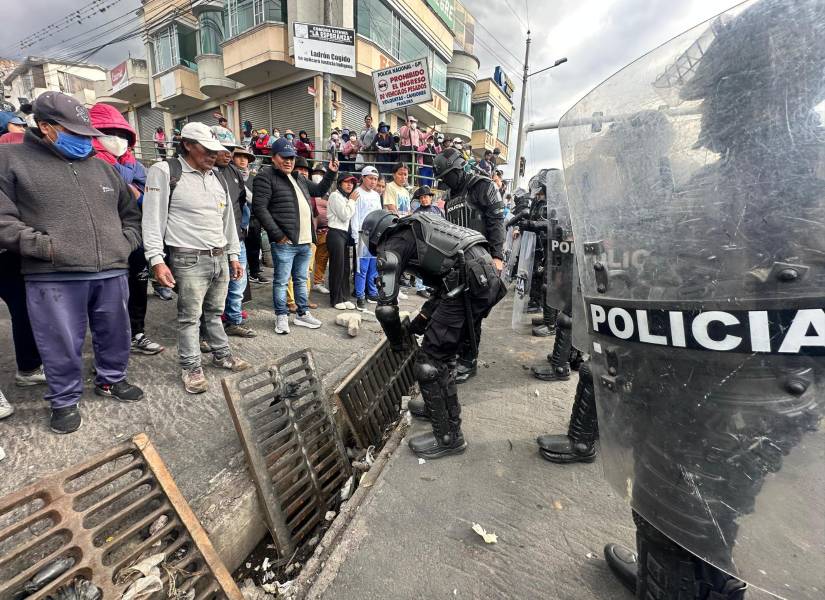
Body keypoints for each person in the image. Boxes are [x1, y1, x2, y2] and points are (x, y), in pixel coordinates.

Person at [0, 91, 145, 434]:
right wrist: (44, 247)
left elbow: (130, 214)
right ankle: (64, 399)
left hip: (111, 268)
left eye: (86, 133)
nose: (84, 140)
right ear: (45, 127)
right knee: (60, 342)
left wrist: (124, 244)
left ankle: (111, 379)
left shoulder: (103, 167)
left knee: (116, 332)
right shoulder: (11, 159)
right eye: (74, 132)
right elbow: (3, 220)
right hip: (53, 273)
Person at [362, 209, 506, 458]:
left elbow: (385, 309)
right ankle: (436, 408)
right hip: (482, 277)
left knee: (429, 362)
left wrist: (397, 342)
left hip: (468, 282)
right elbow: (444, 283)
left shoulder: (391, 245)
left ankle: (448, 437)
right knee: (443, 354)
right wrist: (419, 323)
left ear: (374, 237)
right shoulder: (419, 226)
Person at [142, 122, 251, 394]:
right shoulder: (165, 171)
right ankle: (191, 366)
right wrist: (156, 259)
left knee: (214, 312)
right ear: (188, 145)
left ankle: (221, 354)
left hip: (219, 256)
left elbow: (227, 221)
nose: (214, 155)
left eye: (216, 150)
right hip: (188, 258)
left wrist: (233, 255)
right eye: (207, 149)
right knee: (190, 317)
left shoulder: (217, 177)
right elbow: (152, 218)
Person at [89, 102, 164, 356]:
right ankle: (108, 348)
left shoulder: (136, 165)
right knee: (107, 298)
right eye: (109, 133)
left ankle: (137, 333)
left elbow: (150, 197)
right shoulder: (87, 163)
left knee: (138, 287)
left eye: (122, 134)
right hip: (105, 240)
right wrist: (127, 189)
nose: (117, 139)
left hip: (135, 236)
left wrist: (137, 193)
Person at [433, 148, 506, 383]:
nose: (445, 181)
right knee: (458, 312)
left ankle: (469, 360)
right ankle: (459, 354)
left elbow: (496, 221)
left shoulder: (482, 186)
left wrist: (497, 257)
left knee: (473, 313)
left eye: (447, 176)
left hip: (483, 260)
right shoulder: (450, 196)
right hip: (459, 262)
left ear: (458, 169)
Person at [252, 137, 338, 334]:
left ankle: (302, 314)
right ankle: (281, 316)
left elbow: (319, 189)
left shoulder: (298, 177)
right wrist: (278, 235)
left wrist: (331, 172)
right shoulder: (265, 177)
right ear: (273, 157)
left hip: (305, 241)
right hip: (285, 242)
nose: (288, 161)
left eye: (291, 157)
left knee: (300, 279)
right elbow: (260, 208)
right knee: (282, 281)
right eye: (284, 157)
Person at [214, 144, 256, 338]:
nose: (227, 154)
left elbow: (244, 201)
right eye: (223, 149)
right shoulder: (206, 171)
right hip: (213, 239)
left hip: (236, 237)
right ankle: (210, 329)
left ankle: (233, 320)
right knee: (214, 285)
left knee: (238, 281)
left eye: (230, 150)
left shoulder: (234, 172)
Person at [286, 156, 320, 313]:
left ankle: (304, 298)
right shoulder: (289, 188)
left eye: (306, 170)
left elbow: (315, 215)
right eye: (300, 169)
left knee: (307, 271)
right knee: (290, 272)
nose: (304, 172)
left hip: (309, 236)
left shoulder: (309, 191)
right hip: (292, 237)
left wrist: (314, 235)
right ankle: (290, 301)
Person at [350, 166, 383, 310]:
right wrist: (356, 237)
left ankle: (372, 292)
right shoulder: (357, 193)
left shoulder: (376, 195)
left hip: (375, 235)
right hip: (363, 234)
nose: (373, 182)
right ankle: (360, 296)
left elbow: (379, 215)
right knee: (362, 268)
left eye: (375, 179)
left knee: (373, 267)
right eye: (370, 178)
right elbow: (355, 216)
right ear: (363, 178)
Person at [326, 174, 358, 309]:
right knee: (337, 267)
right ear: (340, 183)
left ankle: (345, 297)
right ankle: (336, 299)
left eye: (352, 183)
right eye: (346, 182)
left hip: (344, 234)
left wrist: (351, 201)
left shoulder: (345, 197)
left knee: (345, 268)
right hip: (335, 232)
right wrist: (352, 201)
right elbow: (345, 215)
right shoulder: (335, 195)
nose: (350, 185)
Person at [311, 162, 331, 295]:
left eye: (321, 174)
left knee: (322, 258)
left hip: (324, 230)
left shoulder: (328, 192)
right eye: (316, 173)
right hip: (310, 230)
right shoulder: (307, 188)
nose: (318, 176)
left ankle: (318, 282)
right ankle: (303, 284)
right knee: (307, 259)